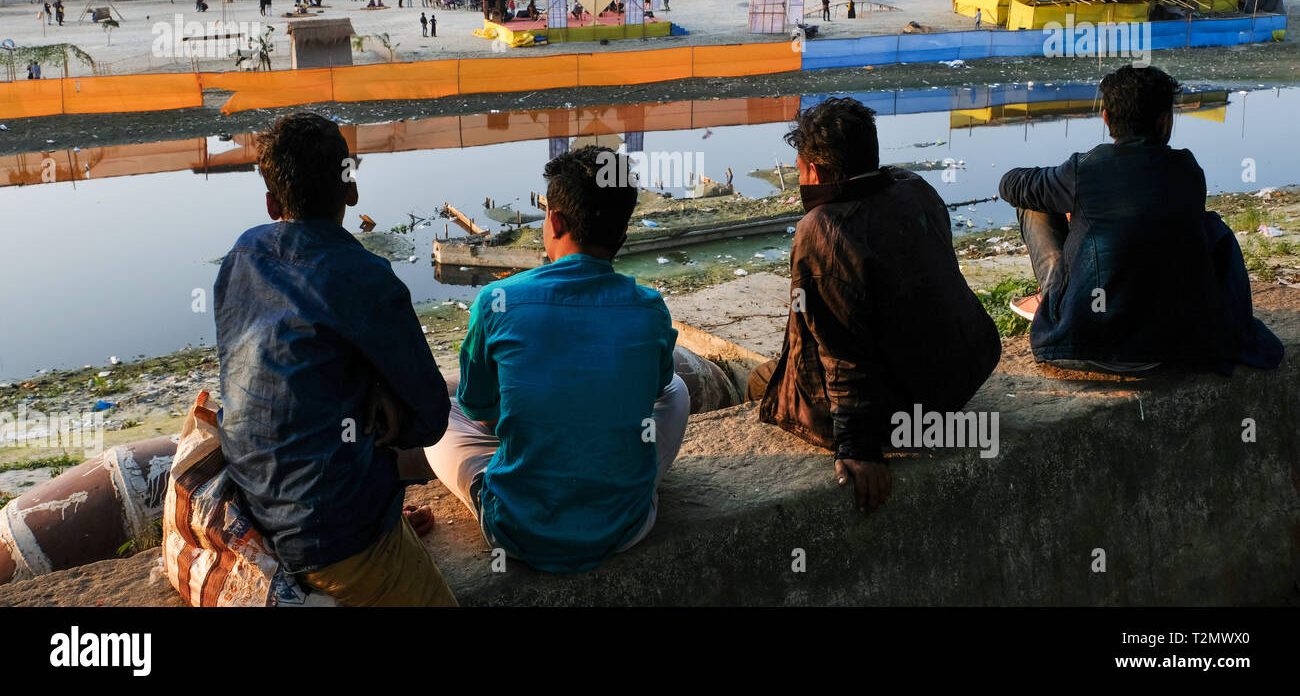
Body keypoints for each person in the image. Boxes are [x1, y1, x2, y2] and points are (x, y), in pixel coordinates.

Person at [407, 145, 690, 573]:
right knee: (677, 390)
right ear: (622, 234)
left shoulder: (498, 300)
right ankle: (630, 481)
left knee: (436, 406)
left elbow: (482, 415)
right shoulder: (649, 308)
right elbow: (653, 390)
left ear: (554, 220)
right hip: (626, 524)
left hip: (517, 532)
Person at [214, 113, 456, 606]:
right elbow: (430, 417)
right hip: (329, 541)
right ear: (351, 191)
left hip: (253, 509)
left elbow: (284, 373)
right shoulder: (364, 277)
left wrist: (368, 389)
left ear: (271, 201)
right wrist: (384, 394)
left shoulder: (243, 253)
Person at [748, 98, 1001, 512]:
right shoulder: (915, 188)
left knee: (764, 382)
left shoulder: (822, 228)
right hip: (959, 379)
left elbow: (842, 351)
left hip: (901, 413)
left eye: (799, 170)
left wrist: (857, 447)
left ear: (815, 169)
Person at [999, 64, 1283, 374]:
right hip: (1173, 349)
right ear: (1166, 121)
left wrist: (1072, 196)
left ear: (1107, 119)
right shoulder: (1188, 171)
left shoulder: (1085, 169)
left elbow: (1009, 184)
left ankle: (1052, 297)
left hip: (1084, 344)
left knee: (1033, 205)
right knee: (1209, 224)